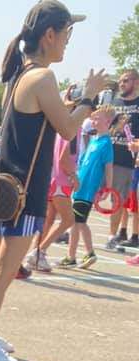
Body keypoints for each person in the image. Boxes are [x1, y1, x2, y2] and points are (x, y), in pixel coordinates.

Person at [0, 0, 107, 361]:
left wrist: (77, 102)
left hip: (6, 188)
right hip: (23, 193)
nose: (67, 42)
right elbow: (68, 126)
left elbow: (52, 118)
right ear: (49, 35)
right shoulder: (43, 77)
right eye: (66, 34)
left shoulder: (19, 75)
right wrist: (90, 97)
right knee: (3, 269)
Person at [62, 105, 115, 269]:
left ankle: (83, 254)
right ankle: (76, 255)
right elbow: (82, 163)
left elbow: (109, 167)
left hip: (88, 189)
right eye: (93, 118)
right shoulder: (93, 140)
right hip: (79, 186)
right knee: (78, 222)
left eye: (97, 118)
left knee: (78, 222)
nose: (93, 120)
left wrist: (108, 188)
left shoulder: (106, 143)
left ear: (107, 122)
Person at [26, 131, 78, 271]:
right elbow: (64, 159)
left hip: (53, 179)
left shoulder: (61, 130)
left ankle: (35, 255)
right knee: (68, 220)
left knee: (49, 219)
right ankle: (39, 252)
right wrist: (74, 176)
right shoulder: (73, 132)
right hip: (62, 182)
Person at [104, 69, 139, 251]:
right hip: (105, 157)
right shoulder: (115, 102)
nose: (121, 83)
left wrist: (136, 144)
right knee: (86, 193)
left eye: (126, 80)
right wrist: (114, 128)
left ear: (136, 82)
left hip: (124, 162)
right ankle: (77, 229)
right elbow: (105, 129)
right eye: (120, 80)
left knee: (116, 201)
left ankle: (112, 236)